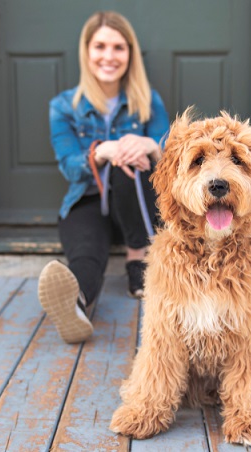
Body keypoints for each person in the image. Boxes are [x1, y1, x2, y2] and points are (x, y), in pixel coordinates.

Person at [39, 11, 169, 343]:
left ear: (130, 53)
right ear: (86, 51)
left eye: (118, 47)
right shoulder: (64, 106)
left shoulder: (148, 101)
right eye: (100, 46)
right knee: (85, 254)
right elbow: (69, 165)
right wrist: (101, 150)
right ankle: (76, 305)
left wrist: (150, 145)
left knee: (131, 158)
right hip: (88, 200)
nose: (108, 56)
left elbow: (175, 158)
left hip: (137, 203)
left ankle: (139, 260)